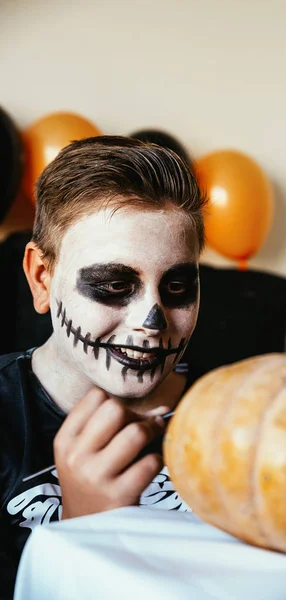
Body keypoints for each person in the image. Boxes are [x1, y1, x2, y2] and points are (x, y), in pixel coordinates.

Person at [0, 136, 206, 599]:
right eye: (113, 284)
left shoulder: (231, 414)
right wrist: (83, 534)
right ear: (41, 277)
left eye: (176, 287)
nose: (151, 322)